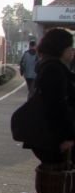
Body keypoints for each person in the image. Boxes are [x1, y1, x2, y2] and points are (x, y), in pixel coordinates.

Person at [29, 28, 75, 165]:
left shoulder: (49, 66)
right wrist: (68, 137)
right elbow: (57, 107)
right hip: (55, 138)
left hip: (47, 136)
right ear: (60, 49)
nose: (72, 51)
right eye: (70, 48)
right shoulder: (54, 70)